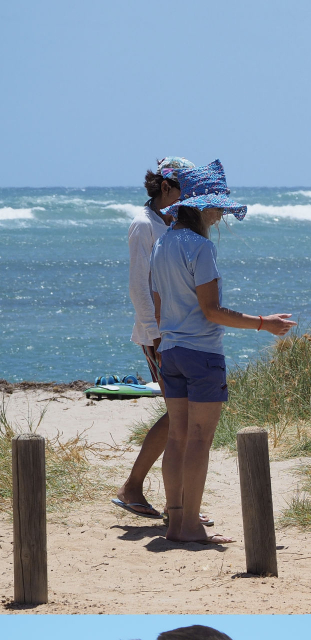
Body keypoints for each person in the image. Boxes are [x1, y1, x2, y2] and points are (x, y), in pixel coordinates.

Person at [151, 160, 296, 544]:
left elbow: (158, 305)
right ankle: (191, 526)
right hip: (201, 353)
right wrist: (265, 323)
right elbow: (212, 311)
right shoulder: (200, 247)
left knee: (177, 438)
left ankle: (175, 523)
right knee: (199, 439)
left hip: (171, 349)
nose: (218, 216)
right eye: (216, 208)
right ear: (202, 207)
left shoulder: (161, 242)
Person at [111, 157, 195, 522]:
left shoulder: (175, 221)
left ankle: (177, 503)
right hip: (160, 334)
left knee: (187, 412)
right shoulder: (142, 225)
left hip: (184, 330)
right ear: (165, 187)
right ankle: (140, 490)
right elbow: (139, 286)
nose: (190, 197)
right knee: (184, 412)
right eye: (184, 188)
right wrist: (157, 334)